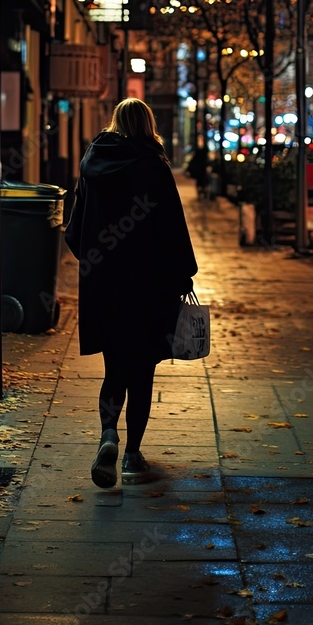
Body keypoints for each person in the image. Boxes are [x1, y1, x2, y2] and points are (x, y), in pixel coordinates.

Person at [65, 98, 198, 488]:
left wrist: (97, 260)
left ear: (115, 122)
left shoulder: (92, 164)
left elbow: (74, 231)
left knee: (114, 367)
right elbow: (174, 227)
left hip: (105, 286)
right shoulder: (153, 167)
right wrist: (182, 276)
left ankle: (108, 434)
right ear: (147, 125)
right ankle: (132, 456)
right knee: (141, 372)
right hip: (149, 286)